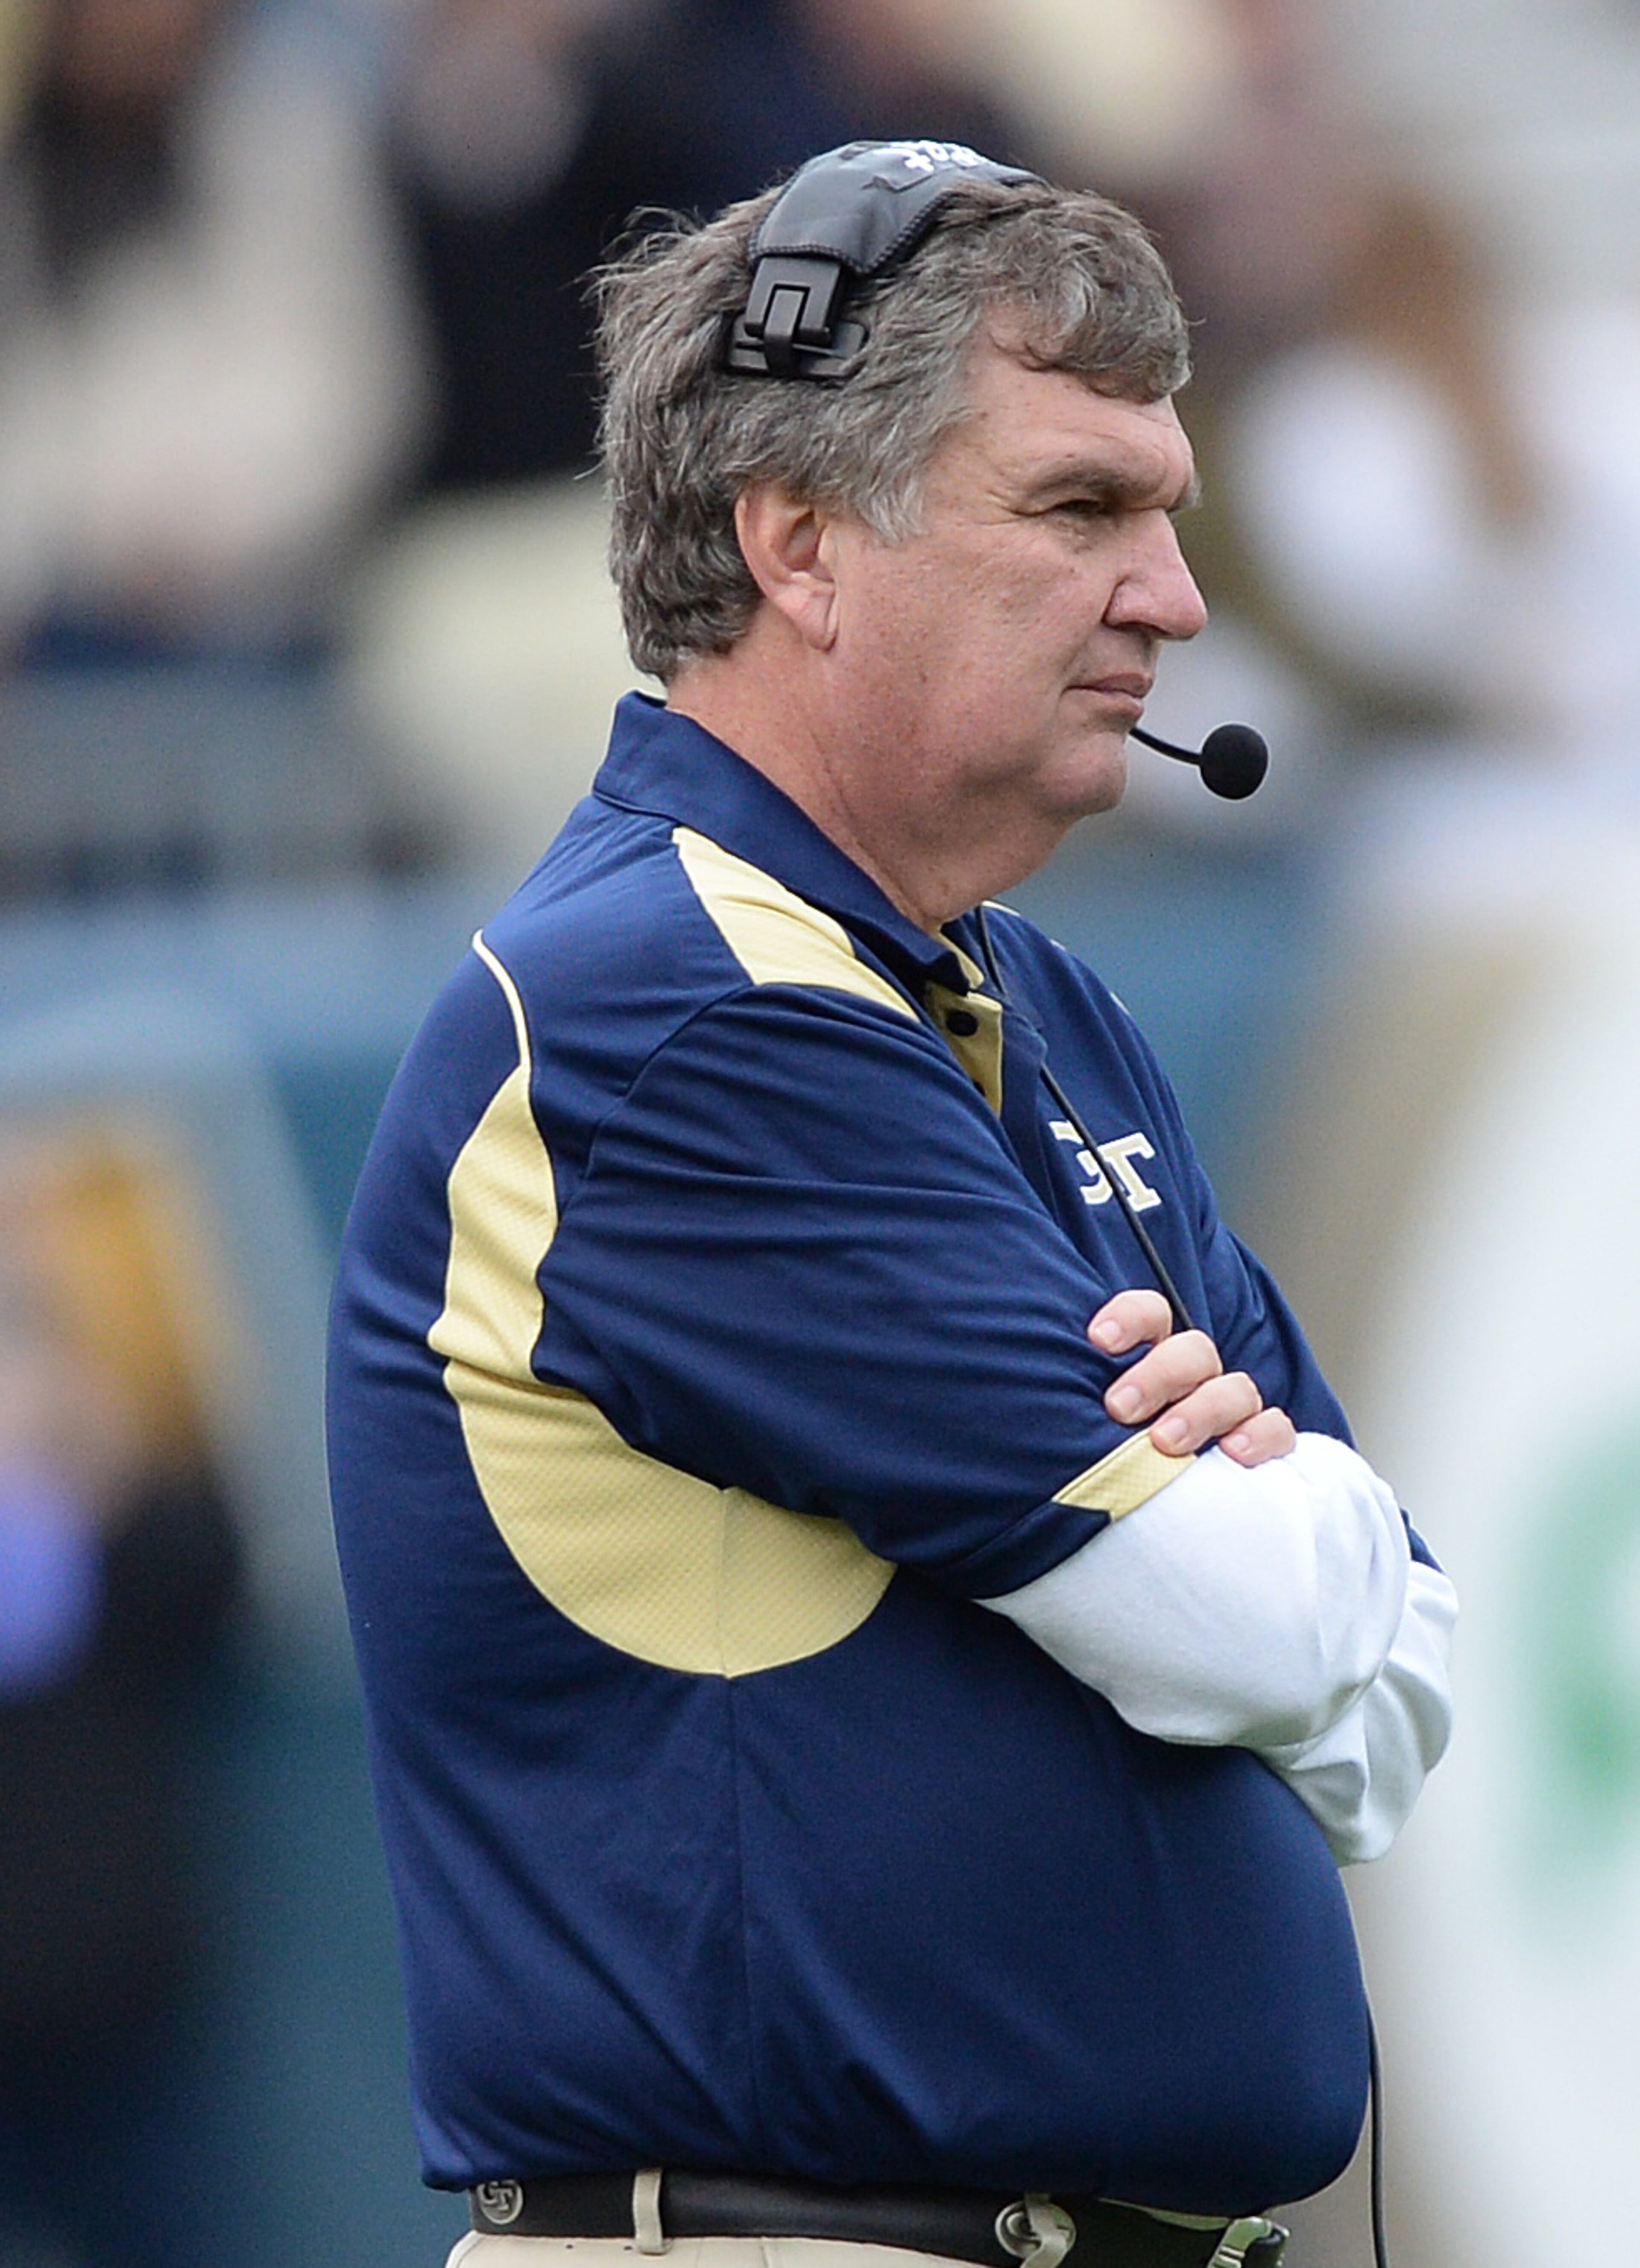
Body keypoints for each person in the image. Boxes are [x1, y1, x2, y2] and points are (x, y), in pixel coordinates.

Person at [325, 141, 1457, 2268]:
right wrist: (1280, 1530)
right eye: (1078, 508)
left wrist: (1292, 1551)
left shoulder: (1039, 997)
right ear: (800, 542)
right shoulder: (675, 1015)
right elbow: (1291, 1621)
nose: (1177, 596)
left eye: (1167, 510)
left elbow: (1398, 1702)